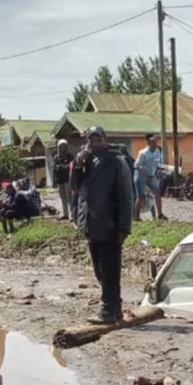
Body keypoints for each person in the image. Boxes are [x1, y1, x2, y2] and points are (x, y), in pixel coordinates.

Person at [73, 125, 133, 323]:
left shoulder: (117, 162)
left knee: (110, 270)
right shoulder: (87, 161)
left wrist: (124, 226)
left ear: (105, 140)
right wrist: (79, 164)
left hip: (110, 224)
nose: (94, 143)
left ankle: (108, 310)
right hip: (91, 224)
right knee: (99, 269)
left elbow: (126, 195)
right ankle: (114, 307)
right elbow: (76, 187)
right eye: (91, 139)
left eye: (98, 139)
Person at [134, 134, 167, 221]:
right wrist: (144, 174)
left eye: (156, 141)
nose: (155, 143)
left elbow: (157, 163)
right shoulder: (143, 153)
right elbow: (136, 166)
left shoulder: (157, 151)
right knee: (141, 196)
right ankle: (136, 217)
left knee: (157, 193)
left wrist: (160, 170)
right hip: (141, 176)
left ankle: (160, 214)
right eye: (153, 142)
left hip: (151, 176)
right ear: (148, 142)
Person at [53, 139, 74, 220]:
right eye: (61, 146)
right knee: (62, 196)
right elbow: (55, 168)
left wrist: (61, 167)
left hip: (68, 179)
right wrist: (54, 181)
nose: (63, 148)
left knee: (69, 196)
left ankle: (72, 214)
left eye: (64, 146)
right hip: (59, 179)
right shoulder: (56, 157)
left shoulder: (70, 156)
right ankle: (65, 213)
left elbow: (70, 166)